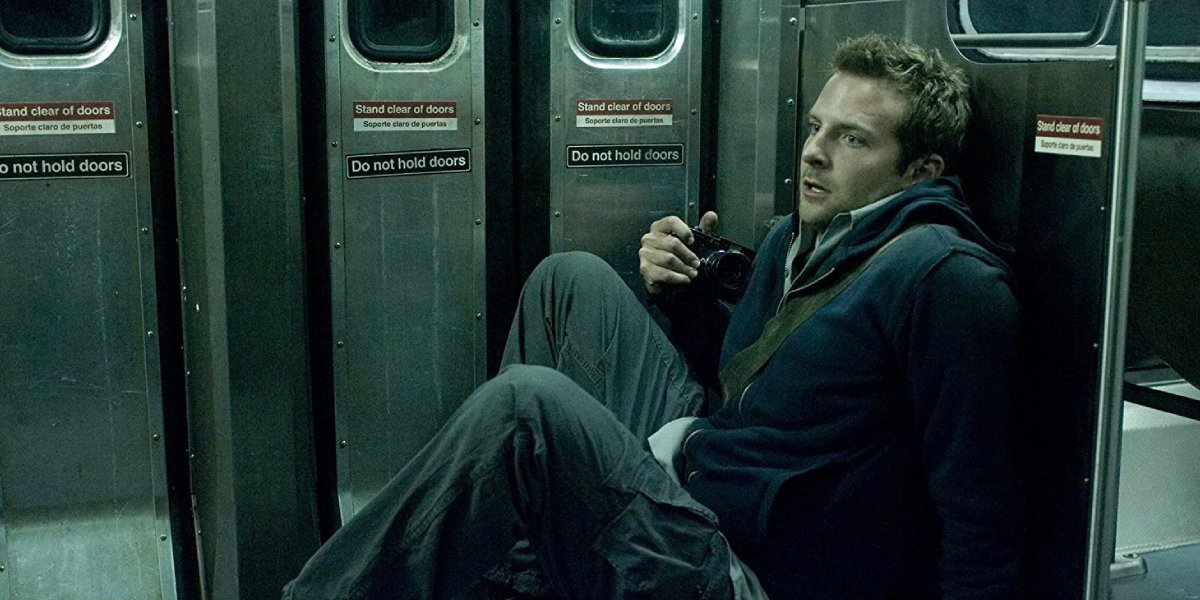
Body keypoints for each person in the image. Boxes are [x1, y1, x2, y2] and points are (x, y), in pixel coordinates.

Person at [283, 33, 1022, 600]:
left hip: (748, 565)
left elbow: (979, 508)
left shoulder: (944, 281)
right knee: (568, 281)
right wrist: (684, 298)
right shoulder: (803, 236)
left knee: (525, 409)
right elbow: (754, 385)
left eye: (852, 138)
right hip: (709, 466)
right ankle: (527, 563)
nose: (813, 154)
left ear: (920, 171)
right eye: (816, 126)